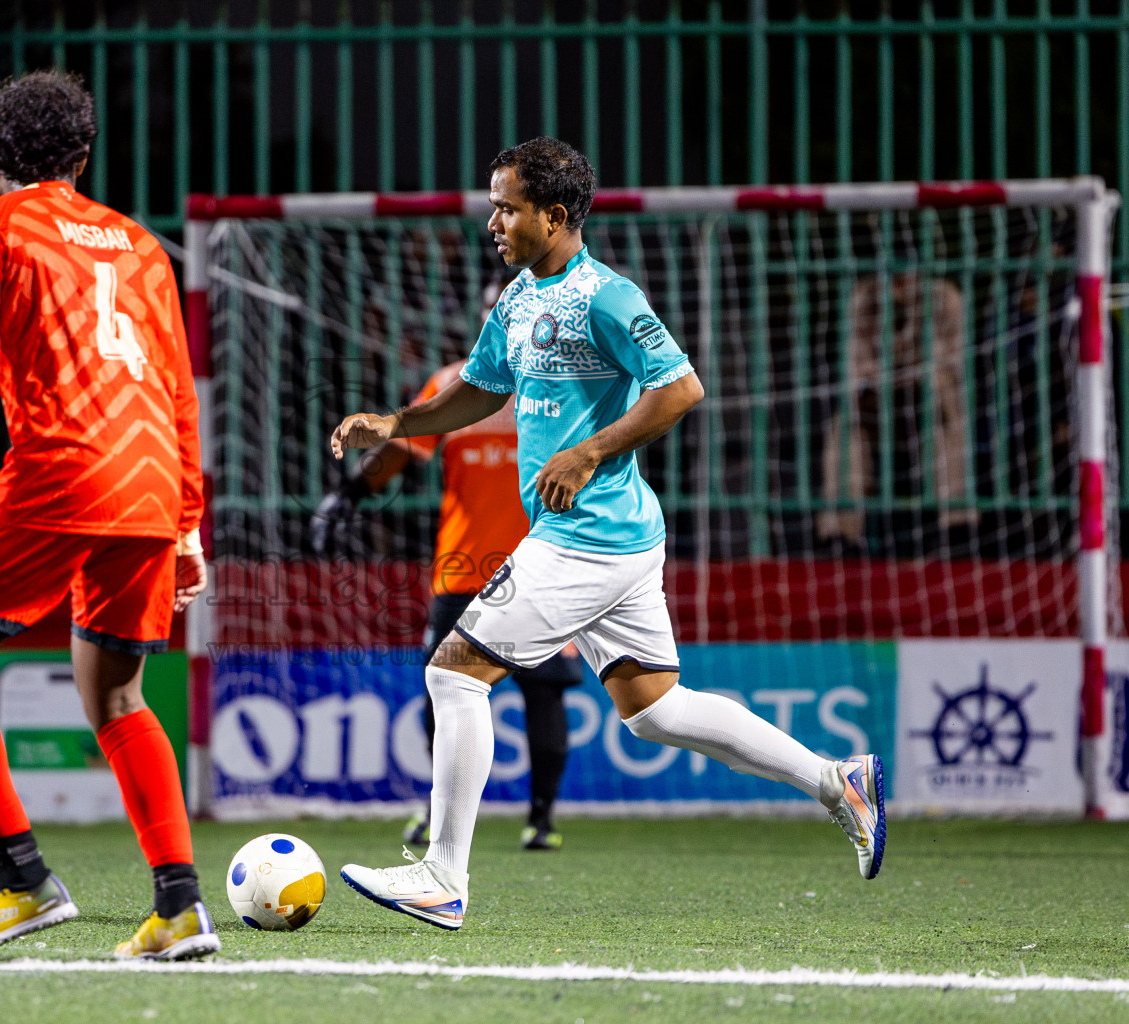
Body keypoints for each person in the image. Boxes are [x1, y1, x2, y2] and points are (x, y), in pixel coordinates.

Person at [330, 136, 886, 932]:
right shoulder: (518, 299)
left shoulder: (607, 297)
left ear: (554, 217)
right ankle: (839, 782)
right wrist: (395, 423)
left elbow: (682, 388)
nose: (492, 219)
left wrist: (590, 450)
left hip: (584, 540)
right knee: (655, 711)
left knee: (453, 676)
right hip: (614, 542)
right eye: (492, 204)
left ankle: (442, 876)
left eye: (507, 207)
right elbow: (479, 393)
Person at [0, 70, 218, 961]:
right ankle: (180, 906)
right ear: (83, 154)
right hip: (152, 483)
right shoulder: (143, 246)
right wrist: (189, 522)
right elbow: (178, 392)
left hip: (62, 472)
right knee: (119, 693)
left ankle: (23, 881)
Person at [311, 290, 580, 852]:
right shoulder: (455, 383)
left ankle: (542, 818)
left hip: (541, 566)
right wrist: (351, 493)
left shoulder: (564, 384)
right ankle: (444, 813)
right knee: (447, 691)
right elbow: (402, 447)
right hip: (464, 572)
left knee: (544, 694)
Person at [818, 271, 976, 550]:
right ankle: (840, 535)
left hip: (931, 407)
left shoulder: (946, 299)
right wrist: (880, 381)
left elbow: (953, 369)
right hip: (878, 409)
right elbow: (856, 373)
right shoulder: (864, 298)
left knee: (953, 428)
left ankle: (958, 529)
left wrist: (920, 376)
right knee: (844, 433)